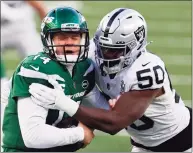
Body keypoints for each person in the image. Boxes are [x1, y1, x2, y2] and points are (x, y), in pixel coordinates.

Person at [29, 8, 192, 152]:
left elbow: (115, 123)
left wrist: (63, 103)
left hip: (181, 143)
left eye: (115, 51)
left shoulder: (146, 70)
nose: (105, 55)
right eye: (103, 47)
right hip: (143, 144)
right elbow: (55, 63)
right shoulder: (93, 51)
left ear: (136, 47)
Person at [1, 7, 96, 152]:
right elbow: (33, 136)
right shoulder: (34, 69)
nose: (69, 42)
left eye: (75, 37)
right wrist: (79, 133)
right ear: (48, 39)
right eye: (62, 37)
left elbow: (102, 110)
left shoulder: (85, 67)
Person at [1, 1, 47, 84]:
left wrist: (47, 28)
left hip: (23, 28)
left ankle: (42, 85)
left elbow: (39, 6)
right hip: (2, 28)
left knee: (37, 60)